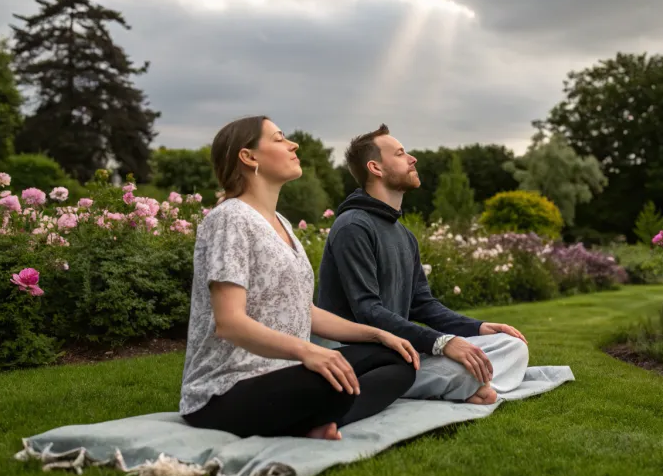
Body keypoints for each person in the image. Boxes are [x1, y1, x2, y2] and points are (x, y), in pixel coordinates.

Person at [180, 116, 420, 441]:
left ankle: (319, 420)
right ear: (248, 157)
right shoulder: (229, 219)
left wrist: (378, 335)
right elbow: (230, 323)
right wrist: (307, 352)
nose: (293, 145)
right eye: (279, 139)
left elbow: (302, 310)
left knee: (397, 358)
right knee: (334, 382)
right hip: (226, 389)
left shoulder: (280, 222)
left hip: (284, 373)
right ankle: (322, 415)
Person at [317, 124, 528, 405]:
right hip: (360, 355)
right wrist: (441, 343)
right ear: (376, 168)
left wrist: (478, 327)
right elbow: (367, 310)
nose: (412, 158)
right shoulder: (353, 226)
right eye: (401, 153)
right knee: (460, 366)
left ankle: (472, 383)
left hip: (401, 349)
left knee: (511, 345)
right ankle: (467, 382)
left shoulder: (404, 235)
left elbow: (423, 305)